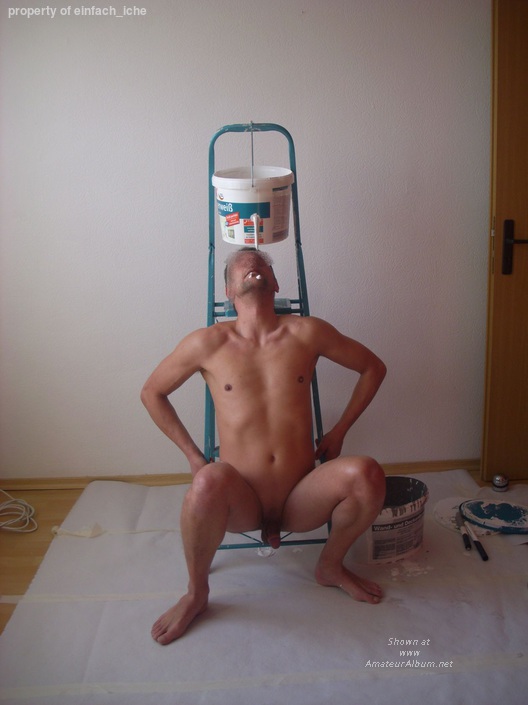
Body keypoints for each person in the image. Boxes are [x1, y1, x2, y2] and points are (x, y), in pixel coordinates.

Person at [141, 247, 387, 645]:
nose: (251, 262)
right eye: (240, 265)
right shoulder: (206, 343)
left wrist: (339, 431)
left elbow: (373, 367)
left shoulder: (307, 332)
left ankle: (330, 566)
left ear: (275, 283)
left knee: (367, 474)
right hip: (242, 499)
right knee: (206, 482)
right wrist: (193, 455)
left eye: (261, 263)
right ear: (228, 291)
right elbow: (152, 392)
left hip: (301, 495)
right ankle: (196, 593)